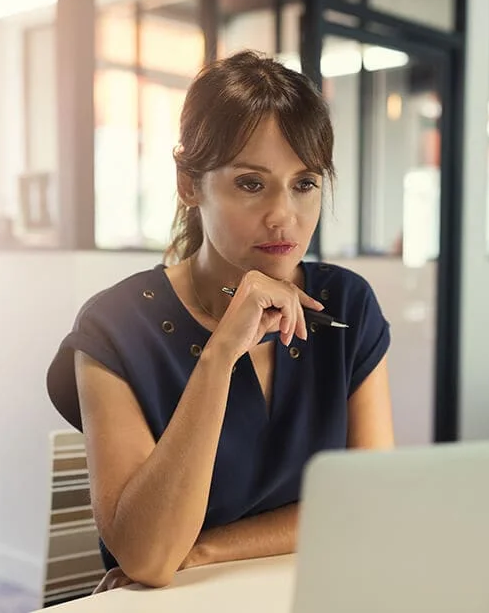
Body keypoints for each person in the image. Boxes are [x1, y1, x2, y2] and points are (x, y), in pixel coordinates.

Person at [46, 50, 394, 590]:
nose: (284, 216)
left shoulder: (345, 306)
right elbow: (146, 557)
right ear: (189, 184)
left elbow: (370, 503)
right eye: (251, 184)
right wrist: (219, 355)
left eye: (304, 183)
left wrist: (206, 549)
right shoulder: (116, 327)